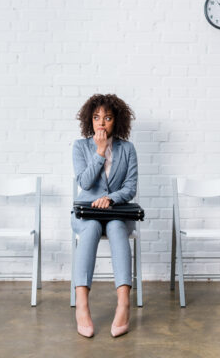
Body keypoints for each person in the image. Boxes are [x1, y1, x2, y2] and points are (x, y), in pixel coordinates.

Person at [71, 94, 138, 338]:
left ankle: (123, 304)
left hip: (115, 211)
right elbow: (85, 183)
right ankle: (82, 305)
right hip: (85, 212)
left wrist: (111, 198)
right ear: (90, 120)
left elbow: (130, 187)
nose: (101, 123)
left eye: (107, 118)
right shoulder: (80, 147)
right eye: (97, 117)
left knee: (118, 229)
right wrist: (99, 152)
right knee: (89, 230)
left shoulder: (127, 149)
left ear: (116, 121)